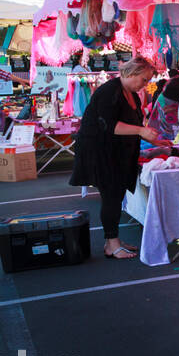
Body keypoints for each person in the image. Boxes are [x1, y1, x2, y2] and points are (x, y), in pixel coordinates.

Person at [69, 57, 168, 260]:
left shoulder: (131, 94)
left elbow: (129, 126)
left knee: (114, 195)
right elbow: (109, 125)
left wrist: (151, 139)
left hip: (115, 153)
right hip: (101, 152)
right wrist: (141, 131)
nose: (145, 84)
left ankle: (112, 241)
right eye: (143, 79)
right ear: (131, 74)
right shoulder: (109, 92)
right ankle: (112, 245)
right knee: (111, 197)